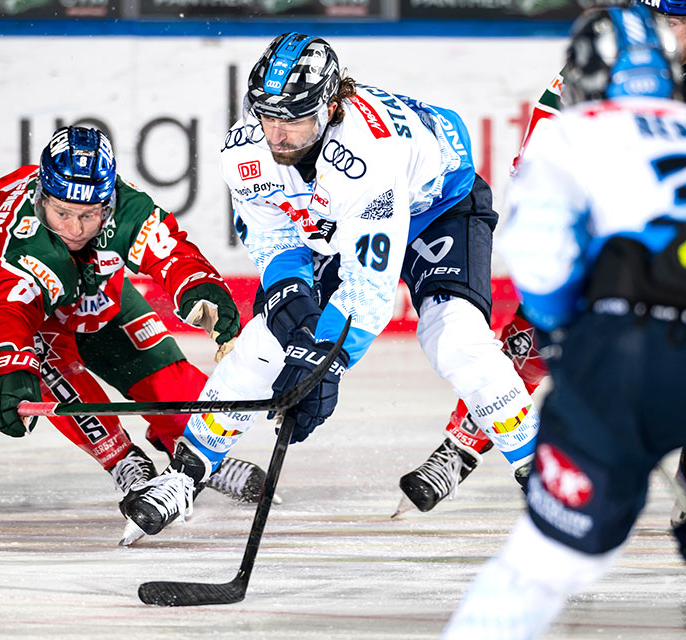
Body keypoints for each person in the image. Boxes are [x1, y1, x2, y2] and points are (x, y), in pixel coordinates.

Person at [118, 33, 542, 537]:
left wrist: (323, 365)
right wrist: (289, 308)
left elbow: (369, 287)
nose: (277, 133)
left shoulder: (366, 159)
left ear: (331, 106)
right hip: (341, 219)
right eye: (266, 115)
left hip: (438, 208)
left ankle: (543, 472)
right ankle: (184, 476)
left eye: (293, 117)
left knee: (454, 338)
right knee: (267, 344)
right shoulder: (243, 153)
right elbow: (275, 241)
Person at [442, 5, 686, 637]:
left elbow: (541, 262)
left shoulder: (574, 130)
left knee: (540, 566)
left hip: (628, 356)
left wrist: (561, 334)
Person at [0, 125, 267, 521]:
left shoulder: (124, 206)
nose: (74, 229)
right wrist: (7, 363)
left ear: (108, 204)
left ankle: (191, 451)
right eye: (62, 213)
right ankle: (123, 460)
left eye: (88, 215)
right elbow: (8, 312)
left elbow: (169, 250)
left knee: (166, 375)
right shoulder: (28, 241)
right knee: (41, 361)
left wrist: (199, 287)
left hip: (80, 282)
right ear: (41, 199)